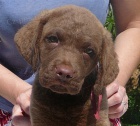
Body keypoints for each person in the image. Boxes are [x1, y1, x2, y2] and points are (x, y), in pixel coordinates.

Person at [0, 0, 140, 125]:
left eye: (88, 51)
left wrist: (111, 87)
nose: (65, 70)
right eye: (53, 39)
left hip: (91, 104)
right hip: (13, 108)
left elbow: (134, 24)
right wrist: (21, 94)